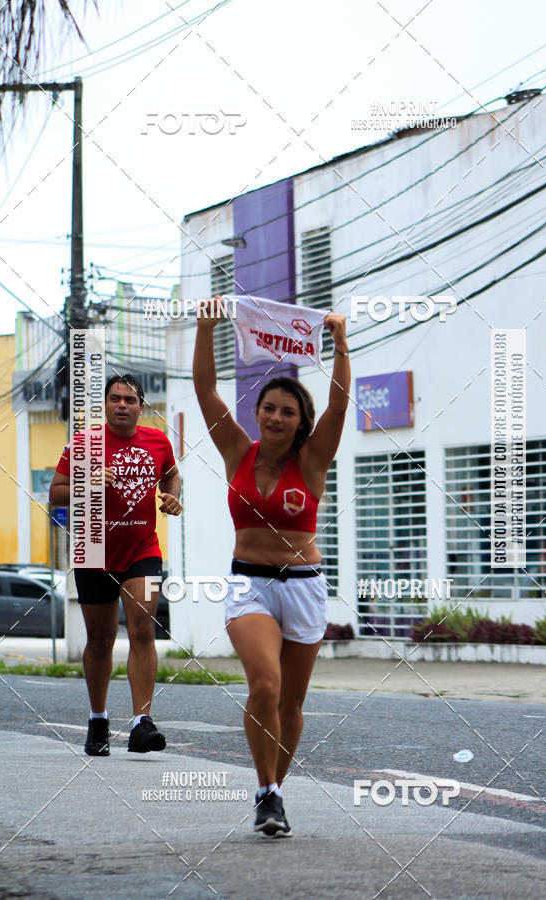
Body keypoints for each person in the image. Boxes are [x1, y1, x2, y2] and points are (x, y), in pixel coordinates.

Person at [193, 298, 350, 837]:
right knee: (264, 685)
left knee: (292, 701)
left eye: (287, 411)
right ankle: (266, 789)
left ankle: (275, 794)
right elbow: (207, 392)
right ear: (257, 412)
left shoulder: (311, 460)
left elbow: (339, 405)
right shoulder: (238, 450)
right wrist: (205, 326)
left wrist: (340, 344)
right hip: (248, 584)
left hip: (305, 587)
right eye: (268, 408)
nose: (276, 417)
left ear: (300, 421)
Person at [49, 374, 182, 756]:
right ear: (105, 404)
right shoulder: (85, 444)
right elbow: (55, 493)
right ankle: (98, 718)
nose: (122, 405)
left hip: (144, 550)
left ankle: (142, 723)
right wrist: (88, 480)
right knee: (101, 639)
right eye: (115, 398)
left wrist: (171, 497)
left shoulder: (159, 441)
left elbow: (172, 475)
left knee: (143, 629)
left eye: (129, 399)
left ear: (142, 405)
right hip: (92, 549)